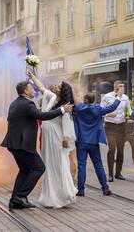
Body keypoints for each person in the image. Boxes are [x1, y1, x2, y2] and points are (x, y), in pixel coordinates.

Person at [1, 80, 73, 210]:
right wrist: (62, 110)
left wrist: (33, 75)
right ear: (25, 92)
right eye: (31, 88)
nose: (34, 90)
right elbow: (42, 116)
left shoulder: (16, 102)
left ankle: (14, 200)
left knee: (24, 170)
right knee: (39, 168)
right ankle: (21, 196)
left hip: (14, 144)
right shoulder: (27, 104)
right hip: (22, 145)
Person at [27, 71, 77, 208]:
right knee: (48, 165)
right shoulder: (51, 96)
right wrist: (32, 76)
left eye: (59, 86)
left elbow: (67, 122)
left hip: (56, 137)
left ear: (63, 91)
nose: (55, 86)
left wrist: (66, 138)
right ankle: (50, 196)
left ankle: (61, 195)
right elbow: (41, 87)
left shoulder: (66, 105)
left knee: (57, 165)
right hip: (47, 136)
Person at [73, 93, 120, 197]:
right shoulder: (97, 109)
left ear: (85, 99)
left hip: (81, 141)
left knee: (81, 166)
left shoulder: (78, 108)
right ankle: (104, 188)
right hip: (94, 142)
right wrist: (118, 97)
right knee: (98, 165)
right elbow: (111, 107)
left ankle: (81, 190)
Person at [100, 80, 133, 182]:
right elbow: (100, 111)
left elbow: (128, 110)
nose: (123, 88)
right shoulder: (107, 97)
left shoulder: (125, 98)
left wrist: (127, 117)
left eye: (123, 86)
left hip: (121, 126)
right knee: (112, 149)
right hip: (110, 126)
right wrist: (108, 114)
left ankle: (118, 173)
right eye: (121, 86)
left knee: (120, 151)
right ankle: (110, 174)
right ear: (115, 87)